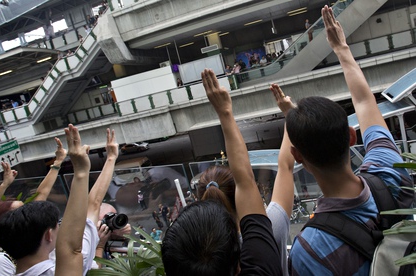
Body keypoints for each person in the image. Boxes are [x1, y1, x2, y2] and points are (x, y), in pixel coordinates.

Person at [288, 6, 414, 275]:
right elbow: (364, 101)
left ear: (298, 157)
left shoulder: (309, 251)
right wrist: (341, 48)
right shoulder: (389, 169)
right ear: (351, 136)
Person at [161, 68, 282, 275]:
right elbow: (246, 181)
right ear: (238, 264)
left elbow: (245, 183)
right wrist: (225, 112)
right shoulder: (261, 268)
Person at [0, 137, 67, 275]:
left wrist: (58, 162)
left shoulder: (29, 244)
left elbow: (41, 193)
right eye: (20, 212)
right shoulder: (0, 262)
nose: (27, 213)